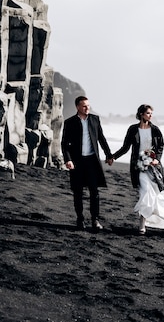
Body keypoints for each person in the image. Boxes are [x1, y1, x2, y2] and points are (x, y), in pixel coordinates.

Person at [111, 104, 164, 234]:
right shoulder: (133, 129)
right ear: (141, 114)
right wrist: (113, 157)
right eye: (148, 113)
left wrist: (157, 159)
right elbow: (126, 147)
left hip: (153, 168)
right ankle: (142, 225)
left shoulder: (155, 130)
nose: (150, 115)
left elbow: (160, 146)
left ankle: (163, 219)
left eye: (151, 113)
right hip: (138, 168)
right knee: (145, 193)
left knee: (155, 195)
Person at [61, 96, 114, 231]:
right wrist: (68, 159)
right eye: (84, 106)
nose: (87, 108)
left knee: (94, 191)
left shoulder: (95, 120)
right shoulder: (70, 122)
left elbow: (101, 138)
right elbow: (65, 143)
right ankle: (80, 219)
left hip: (92, 161)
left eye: (88, 105)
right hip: (77, 162)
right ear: (78, 107)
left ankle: (95, 220)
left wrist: (108, 155)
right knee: (78, 192)